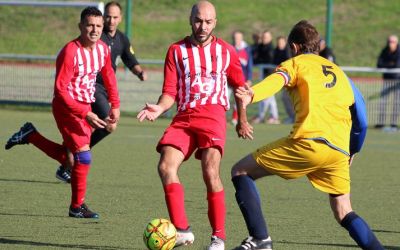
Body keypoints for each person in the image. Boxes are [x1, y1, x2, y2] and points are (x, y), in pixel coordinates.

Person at [231, 20, 384, 250]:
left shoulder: (295, 64)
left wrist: (251, 95)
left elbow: (276, 82)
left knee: (240, 171)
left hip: (310, 142)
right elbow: (360, 116)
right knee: (344, 210)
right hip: (340, 151)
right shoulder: (340, 73)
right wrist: (353, 149)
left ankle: (260, 239)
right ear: (318, 46)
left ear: (294, 47)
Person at [136, 1, 253, 249]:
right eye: (198, 21)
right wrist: (159, 107)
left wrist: (241, 120)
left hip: (212, 116)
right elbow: (169, 91)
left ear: (215, 23)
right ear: (191, 20)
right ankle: (182, 230)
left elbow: (240, 89)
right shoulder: (176, 51)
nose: (203, 26)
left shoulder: (227, 52)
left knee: (210, 173)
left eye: (208, 22)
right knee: (166, 166)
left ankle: (218, 237)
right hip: (184, 117)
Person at [5, 7, 120, 219]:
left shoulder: (103, 49)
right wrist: (85, 113)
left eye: (98, 26)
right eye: (89, 25)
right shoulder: (70, 52)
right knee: (83, 157)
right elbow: (60, 91)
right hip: (67, 108)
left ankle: (30, 135)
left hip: (85, 106)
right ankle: (77, 207)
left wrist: (115, 105)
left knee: (72, 160)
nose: (94, 30)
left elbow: (109, 76)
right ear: (80, 27)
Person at [55, 1, 148, 183]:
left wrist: (139, 73)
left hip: (104, 89)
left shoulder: (121, 39)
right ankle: (77, 153)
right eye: (108, 17)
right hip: (93, 88)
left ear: (120, 19)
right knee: (107, 127)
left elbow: (129, 59)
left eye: (114, 17)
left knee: (92, 138)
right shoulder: (94, 38)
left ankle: (71, 151)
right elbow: (62, 87)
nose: (110, 21)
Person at [252, 30, 280, 125]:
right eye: (263, 37)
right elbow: (256, 58)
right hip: (263, 75)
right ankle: (273, 117)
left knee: (267, 96)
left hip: (270, 75)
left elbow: (270, 60)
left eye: (266, 37)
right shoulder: (260, 47)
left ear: (270, 38)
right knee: (270, 98)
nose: (264, 39)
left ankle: (263, 116)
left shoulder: (271, 48)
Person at [375, 34, 400, 130]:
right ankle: (381, 123)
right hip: (386, 80)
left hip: (397, 81)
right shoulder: (384, 51)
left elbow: (397, 65)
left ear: (396, 43)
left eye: (393, 42)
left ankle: (394, 124)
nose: (390, 44)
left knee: (396, 103)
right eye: (389, 42)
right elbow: (379, 64)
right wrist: (391, 64)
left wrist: (388, 65)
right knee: (383, 102)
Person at [230, 30, 253, 125]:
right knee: (225, 98)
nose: (237, 40)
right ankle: (221, 118)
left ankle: (236, 118)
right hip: (229, 79)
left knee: (239, 99)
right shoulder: (230, 48)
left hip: (241, 80)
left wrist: (249, 79)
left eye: (239, 38)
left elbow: (250, 65)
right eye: (235, 38)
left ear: (242, 38)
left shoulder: (246, 50)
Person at [273, 36, 295, 124]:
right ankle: (292, 116)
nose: (280, 44)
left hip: (290, 77)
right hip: (282, 77)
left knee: (289, 97)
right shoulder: (276, 51)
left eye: (282, 42)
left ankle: (295, 117)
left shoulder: (289, 51)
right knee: (285, 98)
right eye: (279, 43)